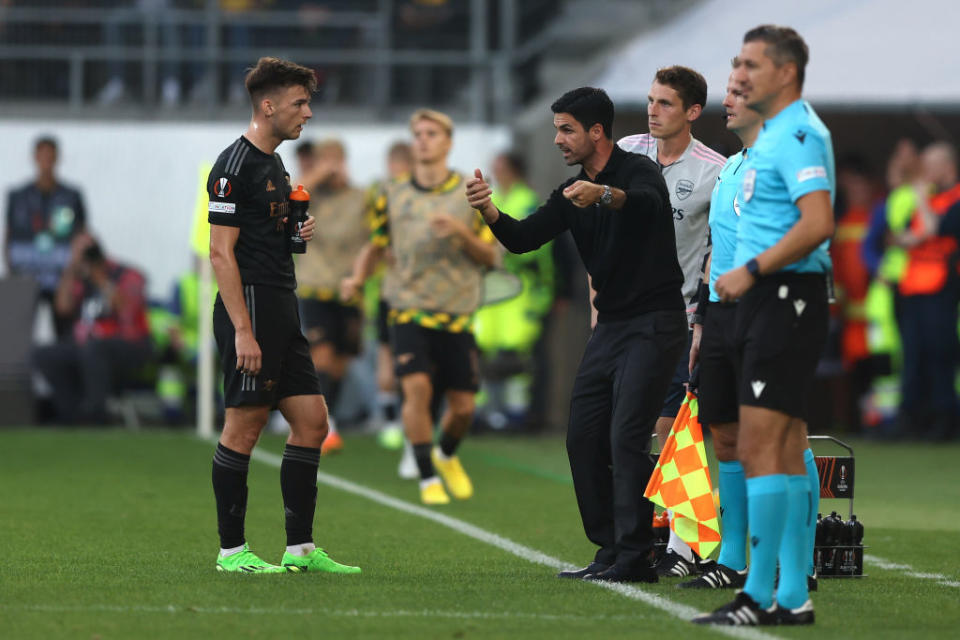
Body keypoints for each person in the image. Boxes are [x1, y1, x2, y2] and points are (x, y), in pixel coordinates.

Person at [466, 87, 686, 584]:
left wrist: (604, 196)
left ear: (596, 132)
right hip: (611, 327)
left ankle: (635, 557)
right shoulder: (569, 192)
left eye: (567, 129)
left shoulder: (637, 171)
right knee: (583, 438)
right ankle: (611, 546)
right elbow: (522, 240)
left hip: (656, 322)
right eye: (556, 130)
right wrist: (489, 211)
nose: (558, 139)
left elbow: (649, 206)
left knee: (626, 436)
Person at [694, 26, 835, 626]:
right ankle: (788, 596)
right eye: (738, 63)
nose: (741, 74)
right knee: (769, 445)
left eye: (751, 64)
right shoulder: (769, 137)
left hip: (786, 299)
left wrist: (751, 270)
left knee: (764, 446)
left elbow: (819, 221)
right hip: (761, 301)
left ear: (785, 73)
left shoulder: (800, 132)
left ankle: (762, 593)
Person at [206, 56, 360, 575]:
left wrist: (295, 235)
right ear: (268, 106)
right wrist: (243, 331)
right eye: (300, 103)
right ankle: (232, 552)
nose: (308, 113)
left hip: (280, 305)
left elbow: (267, 238)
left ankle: (300, 550)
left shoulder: (275, 162)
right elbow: (220, 254)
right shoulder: (234, 167)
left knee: (312, 422)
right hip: (248, 307)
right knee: (244, 429)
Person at [342, 109, 499, 505]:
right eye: (418, 134)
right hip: (407, 306)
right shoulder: (390, 192)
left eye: (432, 134)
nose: (423, 140)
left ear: (448, 142)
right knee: (416, 388)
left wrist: (462, 232)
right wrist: (358, 279)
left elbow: (491, 257)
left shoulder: (471, 192)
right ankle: (427, 477)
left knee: (463, 407)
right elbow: (376, 245)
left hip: (457, 310)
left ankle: (446, 455)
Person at [617, 65, 725, 578]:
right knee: (623, 433)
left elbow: (714, 248)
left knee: (670, 429)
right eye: (651, 100)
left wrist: (702, 314)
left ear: (693, 112)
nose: (652, 110)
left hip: (677, 319)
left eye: (664, 103)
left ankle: (680, 545)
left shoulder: (714, 170)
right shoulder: (626, 152)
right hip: (621, 317)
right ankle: (638, 541)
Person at [294, 139, 370, 454]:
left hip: (348, 288)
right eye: (325, 159)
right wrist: (318, 174)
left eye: (335, 159)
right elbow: (290, 199)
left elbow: (376, 239)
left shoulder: (361, 198)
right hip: (314, 286)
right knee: (321, 355)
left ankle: (330, 419)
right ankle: (323, 425)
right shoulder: (307, 196)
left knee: (340, 363)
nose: (331, 165)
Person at [33, 233, 152, 424]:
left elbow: (124, 308)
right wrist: (71, 268)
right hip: (89, 344)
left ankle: (96, 414)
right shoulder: (80, 279)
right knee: (45, 354)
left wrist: (99, 276)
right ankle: (70, 414)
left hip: (128, 344)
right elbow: (63, 307)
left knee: (93, 349)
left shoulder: (127, 274)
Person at [473, 151, 552, 430]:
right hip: (492, 289)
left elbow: (535, 245)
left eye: (501, 167)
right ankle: (484, 414)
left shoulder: (526, 200)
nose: (497, 171)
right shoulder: (495, 198)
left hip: (519, 291)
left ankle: (517, 414)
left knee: (516, 355)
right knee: (485, 350)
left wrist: (499, 251)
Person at [894, 142, 960, 440]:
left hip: (942, 287)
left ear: (948, 167)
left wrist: (920, 199)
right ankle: (914, 418)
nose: (925, 172)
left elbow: (933, 229)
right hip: (913, 287)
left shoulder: (954, 199)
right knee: (914, 354)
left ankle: (945, 419)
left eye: (931, 165)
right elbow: (905, 235)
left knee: (939, 353)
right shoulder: (932, 199)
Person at [5, 135, 87, 339]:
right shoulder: (18, 196)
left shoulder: (71, 196)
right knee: (19, 334)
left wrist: (72, 274)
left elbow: (81, 235)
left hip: (60, 277)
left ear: (57, 158)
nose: (46, 161)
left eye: (50, 156)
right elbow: (9, 235)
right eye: (42, 156)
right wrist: (13, 274)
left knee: (66, 334)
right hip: (27, 274)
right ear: (34, 158)